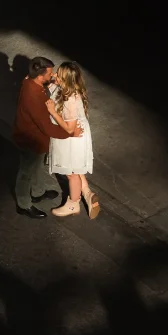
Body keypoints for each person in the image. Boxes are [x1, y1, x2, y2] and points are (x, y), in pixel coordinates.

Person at [11, 56, 83, 219]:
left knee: (37, 166)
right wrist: (69, 133)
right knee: (26, 172)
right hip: (30, 140)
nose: (53, 75)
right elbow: (47, 126)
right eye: (50, 73)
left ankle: (38, 192)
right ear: (40, 75)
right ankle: (23, 204)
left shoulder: (30, 82)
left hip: (35, 138)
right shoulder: (34, 97)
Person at [44, 61, 99, 219]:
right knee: (74, 167)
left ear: (66, 80)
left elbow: (69, 128)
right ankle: (87, 194)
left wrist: (52, 112)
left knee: (72, 173)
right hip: (72, 137)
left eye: (59, 74)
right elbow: (49, 85)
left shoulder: (70, 99)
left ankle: (73, 204)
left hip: (72, 139)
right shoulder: (64, 89)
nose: (55, 75)